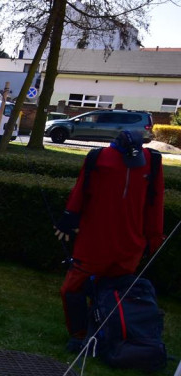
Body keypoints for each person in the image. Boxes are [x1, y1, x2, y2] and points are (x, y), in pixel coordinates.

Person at [55, 130, 164, 351]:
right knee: (72, 288)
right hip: (95, 242)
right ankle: (80, 334)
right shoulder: (99, 158)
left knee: (114, 292)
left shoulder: (152, 161)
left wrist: (154, 237)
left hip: (129, 245)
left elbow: (155, 201)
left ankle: (107, 332)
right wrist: (69, 217)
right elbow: (81, 190)